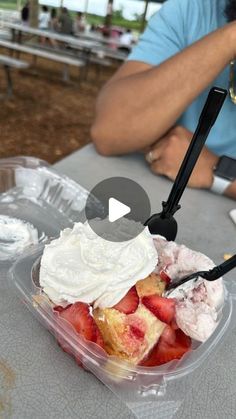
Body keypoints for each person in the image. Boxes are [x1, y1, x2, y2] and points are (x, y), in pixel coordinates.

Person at [91, 0, 236, 200]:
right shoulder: (191, 9)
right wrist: (230, 36)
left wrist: (217, 170)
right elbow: (110, 130)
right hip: (161, 193)